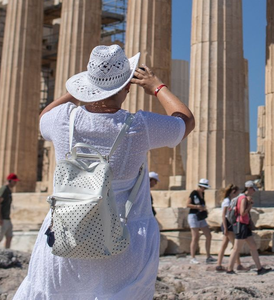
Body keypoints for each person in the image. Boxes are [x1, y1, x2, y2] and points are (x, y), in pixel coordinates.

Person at [13, 45, 195, 300]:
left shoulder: (63, 119)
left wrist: (77, 91)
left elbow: (45, 115)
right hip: (124, 242)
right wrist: (157, 86)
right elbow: (185, 121)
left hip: (65, 237)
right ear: (128, 87)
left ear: (87, 86)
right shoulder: (139, 126)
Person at [226, 181, 270, 275]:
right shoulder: (243, 198)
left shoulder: (243, 198)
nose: (254, 191)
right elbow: (242, 213)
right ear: (249, 188)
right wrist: (250, 205)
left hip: (245, 225)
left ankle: (260, 269)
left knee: (253, 246)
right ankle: (229, 269)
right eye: (253, 189)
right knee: (236, 248)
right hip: (241, 225)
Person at [216, 185, 243, 272]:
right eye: (237, 192)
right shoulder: (227, 201)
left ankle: (218, 264)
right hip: (228, 224)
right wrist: (225, 228)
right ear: (233, 191)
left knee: (224, 245)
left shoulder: (230, 200)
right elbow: (224, 215)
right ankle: (238, 265)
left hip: (228, 224)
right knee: (235, 245)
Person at [187, 178, 214, 264]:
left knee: (208, 235)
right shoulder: (193, 193)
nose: (205, 189)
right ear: (201, 186)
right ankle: (192, 257)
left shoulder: (202, 193)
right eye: (204, 187)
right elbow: (187, 204)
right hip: (193, 216)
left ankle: (208, 256)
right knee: (195, 237)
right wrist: (197, 207)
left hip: (201, 217)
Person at [0, 173, 18, 249]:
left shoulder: (8, 190)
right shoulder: (3, 189)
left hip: (7, 218)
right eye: (14, 182)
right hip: (1, 218)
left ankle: (7, 252)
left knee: (9, 236)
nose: (15, 183)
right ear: (10, 181)